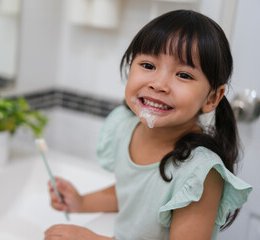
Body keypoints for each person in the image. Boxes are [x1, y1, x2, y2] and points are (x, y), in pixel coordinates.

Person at [44, 9, 252, 240]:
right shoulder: (125, 128)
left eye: (183, 75)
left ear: (212, 98)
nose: (159, 84)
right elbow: (133, 196)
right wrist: (81, 202)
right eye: (148, 66)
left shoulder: (198, 173)